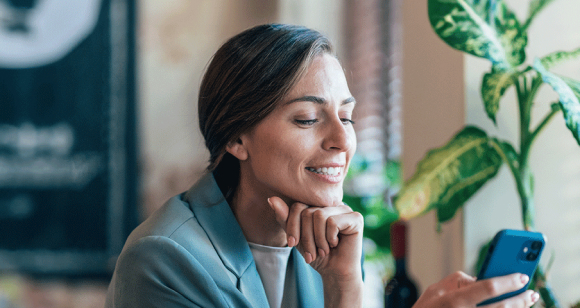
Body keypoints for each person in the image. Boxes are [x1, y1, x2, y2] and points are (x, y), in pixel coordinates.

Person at [105, 24, 540, 308]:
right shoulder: (163, 260)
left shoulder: (327, 238)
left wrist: (345, 284)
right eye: (308, 119)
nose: (341, 139)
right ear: (237, 138)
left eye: (346, 117)